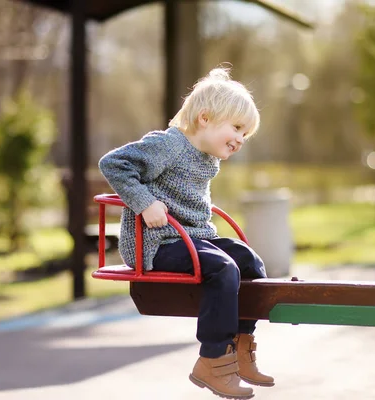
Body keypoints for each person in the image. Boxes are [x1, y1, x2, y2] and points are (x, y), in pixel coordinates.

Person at [99, 66, 273, 399]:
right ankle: (211, 360)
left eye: (245, 134)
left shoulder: (207, 156)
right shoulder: (168, 145)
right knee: (223, 268)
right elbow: (113, 163)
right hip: (156, 242)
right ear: (205, 118)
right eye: (236, 128)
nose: (240, 139)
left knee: (249, 261)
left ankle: (238, 349)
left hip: (192, 237)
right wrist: (145, 202)